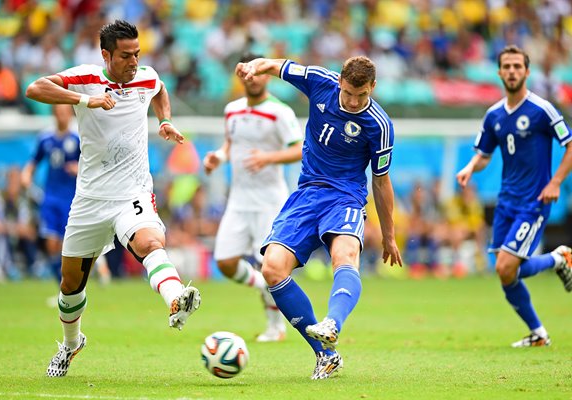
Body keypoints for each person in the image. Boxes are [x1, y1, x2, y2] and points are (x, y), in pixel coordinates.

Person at [25, 20, 201, 377]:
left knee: (151, 241)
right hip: (90, 198)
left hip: (132, 191)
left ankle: (176, 300)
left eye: (137, 54)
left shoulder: (145, 77)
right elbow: (34, 87)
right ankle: (71, 344)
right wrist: (85, 99)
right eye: (125, 56)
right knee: (70, 285)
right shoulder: (86, 77)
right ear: (106, 54)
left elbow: (161, 89)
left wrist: (165, 119)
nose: (133, 62)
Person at [235, 55, 402, 379]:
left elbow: (381, 181)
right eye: (350, 93)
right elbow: (277, 65)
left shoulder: (379, 126)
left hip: (346, 197)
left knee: (345, 255)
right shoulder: (318, 81)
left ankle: (333, 323)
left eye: (362, 95)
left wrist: (389, 234)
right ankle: (326, 355)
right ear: (340, 81)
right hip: (307, 193)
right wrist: (254, 66)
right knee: (272, 268)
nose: (354, 102)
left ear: (373, 88)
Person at [456, 45, 572, 348]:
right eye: (506, 66)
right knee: (505, 274)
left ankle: (559, 258)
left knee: (506, 266)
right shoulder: (494, 114)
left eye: (517, 66)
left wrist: (556, 181)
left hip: (533, 202)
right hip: (506, 201)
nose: (511, 71)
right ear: (499, 72)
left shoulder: (542, 109)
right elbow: (484, 154)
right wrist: (469, 168)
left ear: (527, 72)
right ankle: (539, 334)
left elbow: (570, 145)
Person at [204, 53, 304, 342]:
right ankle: (262, 286)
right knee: (224, 261)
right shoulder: (232, 110)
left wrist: (268, 158)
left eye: (262, 72)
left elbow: (299, 149)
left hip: (270, 200)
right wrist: (218, 157)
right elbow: (229, 144)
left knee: (270, 265)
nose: (256, 77)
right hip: (238, 199)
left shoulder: (280, 111)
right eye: (251, 72)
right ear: (242, 76)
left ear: (267, 75)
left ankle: (276, 327)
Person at [21, 104, 80, 283]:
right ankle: (61, 285)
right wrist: (26, 174)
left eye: (65, 112)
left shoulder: (78, 138)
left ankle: (69, 286)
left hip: (71, 198)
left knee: (66, 244)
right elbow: (34, 161)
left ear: (70, 114)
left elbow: (91, 164)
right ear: (54, 114)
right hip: (50, 196)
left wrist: (79, 169)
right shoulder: (45, 138)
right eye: (58, 113)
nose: (62, 116)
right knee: (50, 242)